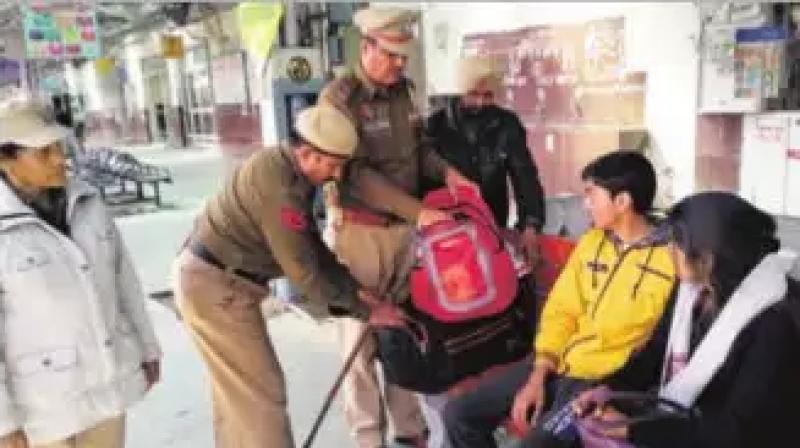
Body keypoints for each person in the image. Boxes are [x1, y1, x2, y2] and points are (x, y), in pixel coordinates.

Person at [173, 104, 403, 448]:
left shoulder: (289, 171)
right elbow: (303, 270)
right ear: (307, 153)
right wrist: (366, 312)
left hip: (219, 280)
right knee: (263, 396)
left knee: (239, 401)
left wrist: (354, 290)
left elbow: (309, 244)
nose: (336, 175)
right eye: (332, 165)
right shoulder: (279, 187)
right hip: (216, 287)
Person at [318, 7, 477, 448]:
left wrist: (447, 174)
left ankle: (410, 431)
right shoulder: (340, 99)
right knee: (361, 344)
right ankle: (369, 437)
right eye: (391, 55)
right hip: (360, 235)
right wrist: (417, 211)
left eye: (404, 56)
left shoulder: (403, 92)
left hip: (404, 235)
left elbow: (421, 149)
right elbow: (355, 173)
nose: (400, 64)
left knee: (405, 334)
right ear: (366, 48)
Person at [443, 151, 676, 447]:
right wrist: (539, 372)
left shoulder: (669, 261)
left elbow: (651, 346)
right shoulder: (593, 243)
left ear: (622, 202)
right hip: (556, 362)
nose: (585, 204)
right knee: (460, 414)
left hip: (600, 383)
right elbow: (562, 310)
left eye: (592, 194)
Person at [572, 192, 800, 448]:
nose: (670, 250)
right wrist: (608, 390)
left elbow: (739, 430)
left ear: (714, 252)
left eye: (678, 242)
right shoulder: (693, 290)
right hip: (685, 429)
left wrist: (635, 430)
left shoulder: (775, 319)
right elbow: (652, 358)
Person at [0, 100, 161, 447]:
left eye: (58, 147)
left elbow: (124, 282)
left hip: (106, 385)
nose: (59, 159)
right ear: (6, 159)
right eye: (43, 152)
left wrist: (147, 347)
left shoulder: (87, 202)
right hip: (41, 407)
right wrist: (3, 420)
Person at [424, 55, 546, 268]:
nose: (480, 103)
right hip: (444, 234)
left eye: (487, 95)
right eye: (473, 95)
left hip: (492, 230)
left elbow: (525, 176)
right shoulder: (434, 127)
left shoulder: (506, 124)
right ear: (459, 91)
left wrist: (530, 226)